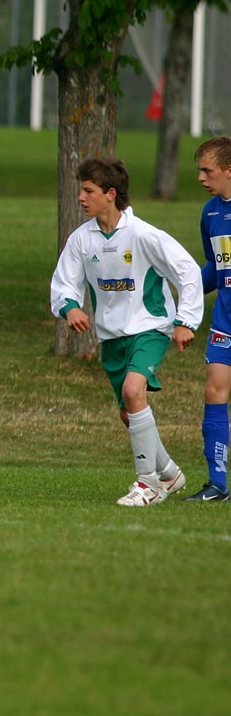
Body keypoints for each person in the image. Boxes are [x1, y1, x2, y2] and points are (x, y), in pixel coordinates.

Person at [49, 157, 200, 506]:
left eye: (88, 191)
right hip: (111, 337)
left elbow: (188, 272)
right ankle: (170, 473)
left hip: (149, 328)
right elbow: (63, 283)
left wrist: (185, 322)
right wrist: (70, 307)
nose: (81, 198)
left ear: (110, 194)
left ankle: (146, 484)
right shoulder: (81, 239)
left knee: (134, 391)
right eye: (81, 190)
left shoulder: (143, 235)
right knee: (127, 412)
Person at [189, 137, 231, 501]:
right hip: (225, 319)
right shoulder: (211, 213)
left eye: (208, 170)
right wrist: (185, 300)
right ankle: (218, 483)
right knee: (214, 389)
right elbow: (215, 269)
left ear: (229, 170)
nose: (202, 177)